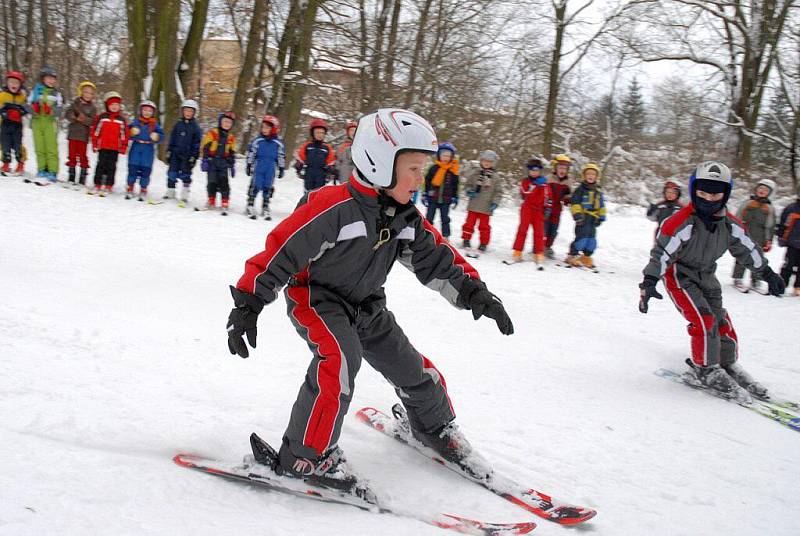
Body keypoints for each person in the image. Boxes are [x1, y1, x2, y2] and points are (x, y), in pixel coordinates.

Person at [225, 108, 513, 497]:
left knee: (413, 368)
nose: (419, 179)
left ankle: (432, 426)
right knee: (340, 361)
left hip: (368, 305)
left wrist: (475, 293)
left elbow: (438, 260)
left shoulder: (405, 217)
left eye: (422, 169)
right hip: (317, 300)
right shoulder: (333, 207)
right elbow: (283, 250)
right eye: (412, 168)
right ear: (379, 162)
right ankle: (306, 457)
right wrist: (249, 302)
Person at [639, 161, 786, 403]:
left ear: (726, 193)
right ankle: (704, 367)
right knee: (703, 318)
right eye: (703, 192)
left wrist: (767, 273)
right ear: (694, 189)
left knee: (720, 318)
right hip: (680, 277)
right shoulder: (681, 222)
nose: (708, 198)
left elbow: (748, 249)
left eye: (716, 192)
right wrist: (650, 280)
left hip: (707, 275)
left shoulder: (729, 224)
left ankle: (725, 362)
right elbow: (662, 253)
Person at [732, 179, 776, 292]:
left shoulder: (769, 208)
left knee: (758, 258)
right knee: (742, 255)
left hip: (760, 236)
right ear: (756, 189)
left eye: (766, 190)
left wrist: (768, 240)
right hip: (745, 234)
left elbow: (769, 225)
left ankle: (755, 280)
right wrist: (736, 232)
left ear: (769, 193)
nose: (762, 191)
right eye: (760, 188)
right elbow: (738, 218)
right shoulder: (747, 203)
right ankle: (738, 278)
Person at [565, 163, 606, 269]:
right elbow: (575, 203)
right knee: (581, 238)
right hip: (583, 218)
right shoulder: (580, 189)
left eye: (593, 174)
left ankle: (586, 256)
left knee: (591, 240)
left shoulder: (598, 191)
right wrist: (577, 215)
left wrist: (601, 216)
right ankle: (572, 255)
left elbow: (601, 205)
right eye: (588, 174)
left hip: (593, 219)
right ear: (584, 176)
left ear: (597, 177)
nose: (590, 176)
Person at [509, 158, 550, 264]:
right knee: (522, 230)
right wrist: (535, 185)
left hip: (539, 210)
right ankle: (517, 251)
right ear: (529, 171)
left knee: (539, 232)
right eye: (532, 170)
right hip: (527, 208)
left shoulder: (544, 184)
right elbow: (525, 192)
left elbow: (548, 197)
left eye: (536, 170)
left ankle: (539, 252)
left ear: (540, 171)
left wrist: (548, 207)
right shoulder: (526, 181)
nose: (534, 172)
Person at [461, 150, 501, 253]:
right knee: (469, 224)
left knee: (484, 227)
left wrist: (495, 202)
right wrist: (469, 191)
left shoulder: (495, 177)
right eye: (484, 161)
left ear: (493, 163)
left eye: (489, 161)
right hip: (473, 205)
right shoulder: (475, 173)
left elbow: (498, 192)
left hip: (486, 206)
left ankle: (483, 243)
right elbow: (467, 185)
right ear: (481, 161)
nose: (486, 163)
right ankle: (466, 240)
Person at [245, 115, 285, 220]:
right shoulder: (258, 141)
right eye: (263, 127)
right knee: (256, 184)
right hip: (259, 165)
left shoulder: (278, 143)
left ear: (274, 129)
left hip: (270, 167)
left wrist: (281, 168)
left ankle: (265, 206)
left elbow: (281, 156)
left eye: (267, 127)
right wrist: (249, 164)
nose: (264, 130)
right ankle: (250, 204)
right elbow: (252, 153)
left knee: (268, 186)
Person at [27, 66, 63, 182]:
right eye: (49, 78)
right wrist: (34, 108)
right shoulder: (35, 91)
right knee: (39, 147)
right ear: (43, 79)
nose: (51, 81)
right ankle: (42, 169)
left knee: (51, 147)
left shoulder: (56, 94)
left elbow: (60, 109)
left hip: (50, 124)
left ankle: (52, 171)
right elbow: (27, 105)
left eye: (53, 79)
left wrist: (51, 111)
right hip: (37, 123)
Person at [165, 99, 203, 206]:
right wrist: (169, 150)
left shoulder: (196, 128)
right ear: (183, 111)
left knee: (186, 174)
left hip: (187, 155)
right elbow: (172, 138)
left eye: (190, 111)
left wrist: (194, 156)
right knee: (172, 172)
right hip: (176, 153)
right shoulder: (178, 124)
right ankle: (171, 190)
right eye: (186, 111)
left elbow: (197, 143)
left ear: (194, 113)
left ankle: (185, 194)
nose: (188, 113)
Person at [90, 91, 128, 195]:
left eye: (117, 104)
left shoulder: (121, 120)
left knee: (112, 166)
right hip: (103, 146)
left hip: (114, 148)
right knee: (101, 165)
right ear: (107, 105)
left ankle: (108, 185)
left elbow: (124, 134)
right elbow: (96, 131)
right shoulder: (102, 117)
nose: (115, 107)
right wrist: (94, 143)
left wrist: (124, 146)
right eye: (112, 104)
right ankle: (97, 184)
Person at [125, 100, 164, 201]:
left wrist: (157, 137)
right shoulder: (136, 122)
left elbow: (162, 136)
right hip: (136, 148)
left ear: (153, 113)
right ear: (141, 111)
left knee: (146, 171)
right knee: (132, 168)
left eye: (150, 111)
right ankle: (130, 187)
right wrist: (131, 132)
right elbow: (126, 132)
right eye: (145, 110)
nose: (147, 112)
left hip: (148, 150)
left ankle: (143, 189)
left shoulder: (155, 125)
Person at [200, 111, 236, 212]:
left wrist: (232, 165)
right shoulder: (212, 133)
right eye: (225, 121)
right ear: (220, 121)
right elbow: (206, 147)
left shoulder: (231, 137)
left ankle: (225, 201)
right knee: (212, 181)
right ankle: (211, 200)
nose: (227, 124)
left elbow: (232, 152)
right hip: (212, 162)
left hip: (223, 163)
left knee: (224, 182)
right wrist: (205, 160)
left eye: (229, 123)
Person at [64, 81, 97, 188]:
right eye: (86, 92)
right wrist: (73, 117)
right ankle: (71, 175)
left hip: (83, 136)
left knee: (82, 156)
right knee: (72, 155)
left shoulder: (92, 108)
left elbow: (92, 121)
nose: (88, 95)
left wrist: (83, 119)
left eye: (90, 93)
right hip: (73, 134)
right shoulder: (75, 103)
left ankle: (83, 176)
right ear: (81, 92)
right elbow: (67, 114)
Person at [423, 142, 460, 239]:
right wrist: (425, 193)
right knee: (429, 217)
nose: (446, 158)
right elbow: (426, 181)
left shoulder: (453, 170)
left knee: (445, 218)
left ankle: (446, 236)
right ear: (439, 155)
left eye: (448, 156)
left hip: (446, 199)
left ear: (452, 157)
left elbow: (455, 184)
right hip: (433, 198)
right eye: (444, 155)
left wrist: (455, 196)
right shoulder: (434, 168)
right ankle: (426, 234)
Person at [293, 118, 335, 193]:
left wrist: (330, 171)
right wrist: (298, 166)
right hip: (309, 172)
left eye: (322, 133)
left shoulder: (327, 148)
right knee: (308, 193)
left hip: (321, 174)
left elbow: (330, 161)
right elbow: (301, 157)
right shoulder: (308, 146)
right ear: (313, 133)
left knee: (318, 193)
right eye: (318, 133)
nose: (320, 135)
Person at [0, 71, 28, 176]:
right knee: (5, 145)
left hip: (17, 126)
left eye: (16, 83)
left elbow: (27, 108)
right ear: (7, 83)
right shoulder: (2, 95)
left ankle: (20, 164)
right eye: (11, 82)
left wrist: (20, 112)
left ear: (20, 85)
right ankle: (6, 164)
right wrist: (4, 113)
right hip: (5, 125)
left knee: (18, 145)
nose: (13, 85)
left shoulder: (22, 97)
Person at [545, 154, 572, 259]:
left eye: (565, 168)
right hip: (547, 208)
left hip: (557, 210)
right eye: (560, 167)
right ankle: (539, 245)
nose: (562, 170)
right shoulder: (549, 179)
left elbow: (568, 194)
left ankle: (548, 247)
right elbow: (543, 192)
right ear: (555, 168)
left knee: (554, 229)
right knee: (544, 228)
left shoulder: (567, 181)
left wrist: (568, 200)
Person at [776, 185, 800, 296]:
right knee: (788, 265)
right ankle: (782, 284)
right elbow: (783, 224)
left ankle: (798, 287)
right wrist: (781, 236)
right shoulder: (792, 208)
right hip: (793, 243)